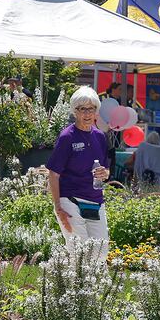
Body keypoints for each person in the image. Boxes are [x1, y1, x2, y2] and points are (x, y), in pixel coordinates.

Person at [47, 86, 111, 254]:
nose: (87, 114)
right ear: (75, 111)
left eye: (91, 109)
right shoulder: (67, 137)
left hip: (95, 201)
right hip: (70, 201)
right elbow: (53, 174)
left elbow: (106, 170)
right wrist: (58, 207)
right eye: (82, 109)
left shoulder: (100, 137)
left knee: (100, 253)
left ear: (96, 111)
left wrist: (105, 173)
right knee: (79, 253)